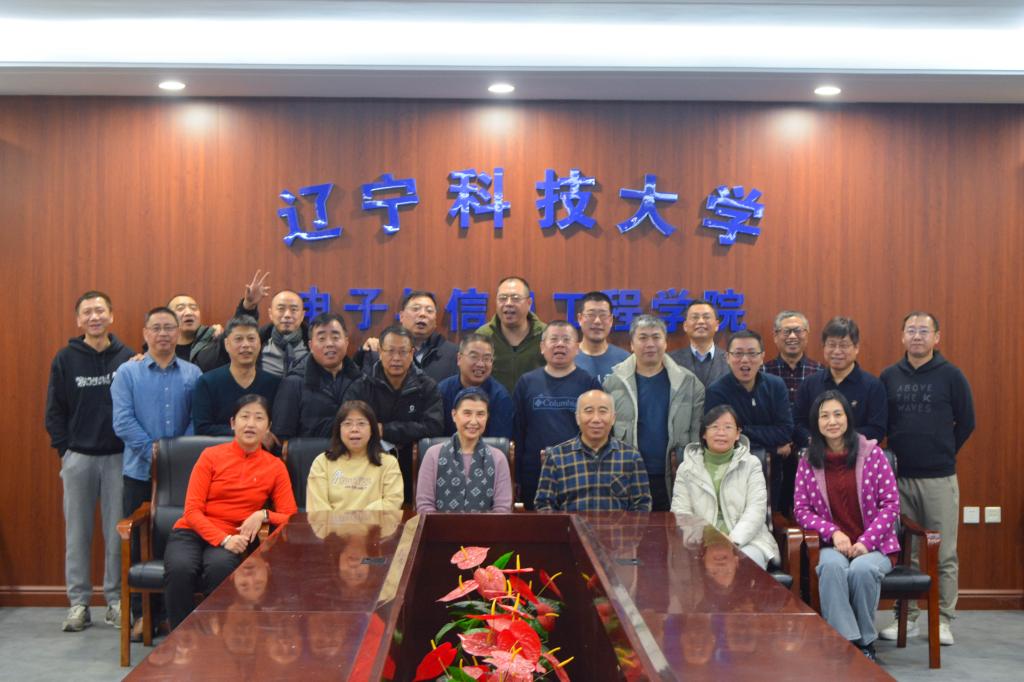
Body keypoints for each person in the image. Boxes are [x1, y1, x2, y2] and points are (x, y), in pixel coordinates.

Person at [878, 312, 975, 646]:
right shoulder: (889, 376)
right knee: (906, 552)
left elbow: (967, 422)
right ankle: (906, 617)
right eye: (911, 330)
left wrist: (942, 451)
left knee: (943, 552)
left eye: (924, 330)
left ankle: (943, 619)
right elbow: (883, 423)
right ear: (902, 336)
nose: (917, 336)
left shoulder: (951, 375)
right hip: (899, 478)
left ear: (937, 337)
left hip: (939, 478)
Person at [163, 395, 297, 630]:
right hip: (193, 531)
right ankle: (182, 638)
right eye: (245, 417)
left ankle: (219, 636)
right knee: (180, 569)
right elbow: (192, 511)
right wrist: (223, 539)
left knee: (220, 569)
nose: (251, 424)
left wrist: (264, 515)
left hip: (234, 534)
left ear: (268, 427)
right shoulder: (210, 456)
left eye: (259, 418)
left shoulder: (275, 466)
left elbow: (290, 516)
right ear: (233, 423)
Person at [45, 291, 135, 632]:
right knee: (77, 533)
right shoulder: (65, 358)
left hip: (118, 458)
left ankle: (115, 601)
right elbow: (55, 410)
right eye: (87, 312)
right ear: (78, 320)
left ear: (111, 315)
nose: (94, 317)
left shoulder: (128, 357)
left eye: (100, 310)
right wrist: (65, 451)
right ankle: (78, 603)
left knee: (117, 535)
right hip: (79, 458)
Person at [111, 306, 202, 639]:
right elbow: (122, 421)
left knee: (175, 543)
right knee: (138, 544)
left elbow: (196, 420)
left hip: (181, 477)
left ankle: (169, 614)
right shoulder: (127, 373)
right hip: (139, 472)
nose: (163, 334)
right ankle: (141, 616)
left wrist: (177, 456)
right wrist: (154, 454)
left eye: (169, 328)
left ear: (178, 333)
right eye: (157, 328)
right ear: (145, 333)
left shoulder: (193, 373)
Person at [793, 390, 900, 662]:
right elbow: (801, 510)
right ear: (816, 422)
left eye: (837, 414)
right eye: (824, 416)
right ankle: (846, 642)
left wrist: (866, 541)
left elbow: (891, 505)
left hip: (876, 545)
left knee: (862, 570)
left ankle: (865, 642)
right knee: (830, 568)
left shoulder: (873, 454)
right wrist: (833, 532)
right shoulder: (808, 459)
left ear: (848, 418)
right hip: (833, 545)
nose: (832, 421)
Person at [604, 314, 704, 511]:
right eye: (643, 338)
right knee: (629, 529)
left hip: (676, 475)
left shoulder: (689, 383)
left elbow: (696, 436)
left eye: (656, 337)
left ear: (665, 343)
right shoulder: (613, 383)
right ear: (631, 344)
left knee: (673, 529)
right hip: (627, 475)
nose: (650, 344)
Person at [670, 405, 778, 569]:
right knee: (688, 568)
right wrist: (709, 539)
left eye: (728, 427)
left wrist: (733, 540)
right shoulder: (687, 468)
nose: (721, 433)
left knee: (747, 565)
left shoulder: (751, 464)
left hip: (748, 541)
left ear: (738, 434)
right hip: (700, 542)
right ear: (704, 433)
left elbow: (756, 510)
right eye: (714, 427)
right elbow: (680, 513)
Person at [346, 325, 444, 505]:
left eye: (403, 352)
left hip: (414, 466)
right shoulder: (362, 386)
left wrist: (385, 430)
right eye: (390, 351)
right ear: (380, 352)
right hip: (370, 464)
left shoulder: (426, 387)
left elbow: (434, 426)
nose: (396, 358)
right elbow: (347, 424)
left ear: (412, 353)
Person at [512, 320, 601, 509]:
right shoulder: (526, 383)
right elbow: (518, 432)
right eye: (553, 339)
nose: (560, 344)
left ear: (577, 348)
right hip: (534, 474)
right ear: (542, 347)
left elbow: (599, 433)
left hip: (579, 473)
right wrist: (516, 476)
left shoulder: (589, 383)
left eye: (566, 340)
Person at [705, 330, 793, 512]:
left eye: (752, 353)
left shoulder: (776, 386)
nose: (745, 360)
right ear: (727, 357)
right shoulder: (716, 391)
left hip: (771, 473)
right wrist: (773, 449)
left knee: (767, 520)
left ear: (762, 357)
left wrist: (742, 430)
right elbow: (722, 439)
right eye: (738, 353)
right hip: (730, 473)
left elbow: (785, 431)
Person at [534, 390, 651, 512]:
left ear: (613, 418)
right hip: (570, 525)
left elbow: (642, 505)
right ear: (577, 418)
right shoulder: (556, 457)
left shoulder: (631, 457)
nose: (596, 419)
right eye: (589, 411)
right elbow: (544, 505)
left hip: (618, 525)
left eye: (603, 411)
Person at [762, 310, 824, 517]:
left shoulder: (821, 373)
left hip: (812, 455)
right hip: (773, 456)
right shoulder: (762, 372)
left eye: (798, 331)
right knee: (774, 513)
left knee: (810, 511)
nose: (792, 336)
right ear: (775, 336)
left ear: (807, 334)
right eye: (786, 331)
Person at [416, 388, 514, 513]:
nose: (473, 421)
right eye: (467, 413)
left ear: (487, 417)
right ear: (454, 415)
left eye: (480, 414)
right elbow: (424, 506)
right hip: (439, 526)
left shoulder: (498, 458)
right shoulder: (433, 455)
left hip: (488, 526)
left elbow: (502, 508)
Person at [794, 317, 887, 446]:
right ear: (824, 347)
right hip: (817, 452)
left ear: (856, 347)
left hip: (857, 454)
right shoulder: (809, 384)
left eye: (844, 345)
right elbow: (798, 423)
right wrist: (815, 440)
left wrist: (838, 440)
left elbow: (877, 429)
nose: (837, 351)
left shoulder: (873, 386)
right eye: (831, 345)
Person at [271, 312, 362, 441]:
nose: (329, 344)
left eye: (335, 337)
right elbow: (282, 437)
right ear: (311, 346)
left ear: (346, 342)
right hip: (309, 454)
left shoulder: (360, 380)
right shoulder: (294, 382)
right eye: (322, 339)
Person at [191, 316, 280, 440]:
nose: (246, 345)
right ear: (227, 344)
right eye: (238, 339)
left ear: (259, 343)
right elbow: (202, 427)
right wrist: (248, 433)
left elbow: (277, 427)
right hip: (219, 449)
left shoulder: (274, 383)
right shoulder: (207, 382)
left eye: (251, 339)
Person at [305, 401, 403, 512]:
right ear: (339, 430)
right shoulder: (322, 462)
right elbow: (318, 509)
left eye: (361, 423)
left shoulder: (388, 463)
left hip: (374, 523)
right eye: (348, 424)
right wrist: (338, 522)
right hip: (330, 524)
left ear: (372, 430)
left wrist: (358, 519)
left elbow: (392, 502)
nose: (354, 429)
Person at [356, 290, 458, 383]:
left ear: (435, 320)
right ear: (401, 316)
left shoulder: (453, 354)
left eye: (429, 311)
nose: (423, 314)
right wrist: (361, 352)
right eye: (416, 309)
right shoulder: (379, 349)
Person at [475, 276, 546, 392]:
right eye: (502, 298)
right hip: (493, 402)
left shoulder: (545, 335)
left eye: (515, 298)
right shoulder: (482, 336)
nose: (508, 303)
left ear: (529, 303)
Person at [436, 334, 514, 439]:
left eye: (486, 358)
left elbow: (499, 443)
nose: (480, 364)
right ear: (459, 359)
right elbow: (435, 437)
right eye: (474, 357)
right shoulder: (442, 391)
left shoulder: (500, 397)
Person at [668, 300, 729, 388]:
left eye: (706, 317)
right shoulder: (671, 360)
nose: (701, 321)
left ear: (717, 325)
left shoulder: (730, 360)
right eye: (695, 317)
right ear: (685, 326)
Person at [574, 291, 629, 383]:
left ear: (611, 320)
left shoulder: (624, 360)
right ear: (580, 319)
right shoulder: (567, 357)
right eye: (591, 315)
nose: (597, 321)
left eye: (603, 315)